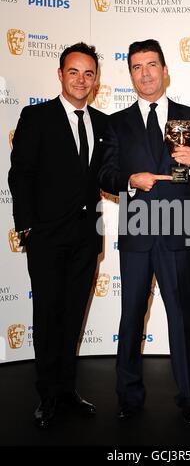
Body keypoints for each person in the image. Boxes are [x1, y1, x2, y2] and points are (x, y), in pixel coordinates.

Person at [99, 39, 190, 424]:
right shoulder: (115, 123)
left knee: (182, 317)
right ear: (130, 73)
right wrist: (130, 179)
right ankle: (128, 396)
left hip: (177, 231)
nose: (145, 73)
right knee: (130, 316)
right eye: (136, 67)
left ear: (165, 70)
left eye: (151, 65)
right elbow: (105, 175)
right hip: (136, 233)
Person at [8, 42, 108, 429]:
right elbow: (21, 175)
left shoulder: (103, 122)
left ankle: (67, 390)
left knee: (72, 317)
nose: (81, 79)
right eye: (74, 71)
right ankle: (47, 395)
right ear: (60, 74)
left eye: (88, 73)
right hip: (47, 238)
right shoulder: (36, 116)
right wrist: (27, 227)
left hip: (86, 238)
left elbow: (107, 175)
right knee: (48, 316)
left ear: (95, 79)